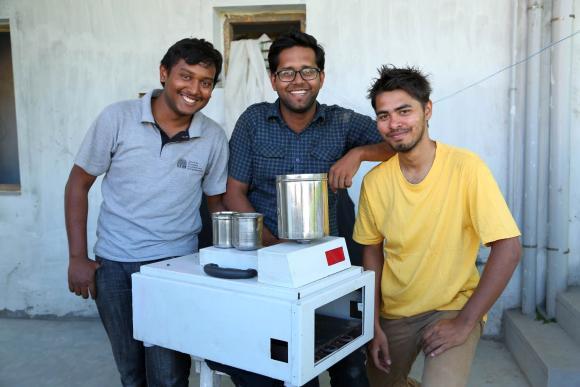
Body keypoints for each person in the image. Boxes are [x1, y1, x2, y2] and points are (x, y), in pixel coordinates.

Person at [211, 31, 393, 387]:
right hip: (266, 264)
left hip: (327, 268)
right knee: (285, 365)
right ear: (273, 80)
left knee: (348, 364)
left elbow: (395, 142)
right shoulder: (253, 122)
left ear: (322, 78)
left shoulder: (341, 122)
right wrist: (275, 248)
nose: (298, 81)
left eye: (308, 71)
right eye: (286, 72)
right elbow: (235, 193)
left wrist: (357, 154)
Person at [65, 38, 228, 387]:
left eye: (206, 82)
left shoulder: (213, 136)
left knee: (169, 375)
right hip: (114, 266)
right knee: (131, 371)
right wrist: (78, 257)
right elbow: (77, 185)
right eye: (186, 76)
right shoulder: (117, 118)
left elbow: (217, 205)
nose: (195, 89)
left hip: (176, 267)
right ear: (164, 73)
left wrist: (222, 264)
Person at [353, 65, 522, 387]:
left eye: (404, 111)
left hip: (452, 306)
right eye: (384, 115)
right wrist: (371, 324)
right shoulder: (375, 183)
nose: (394, 124)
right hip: (395, 311)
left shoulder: (466, 168)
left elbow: (509, 248)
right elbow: (372, 254)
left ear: (427, 109)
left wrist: (465, 322)